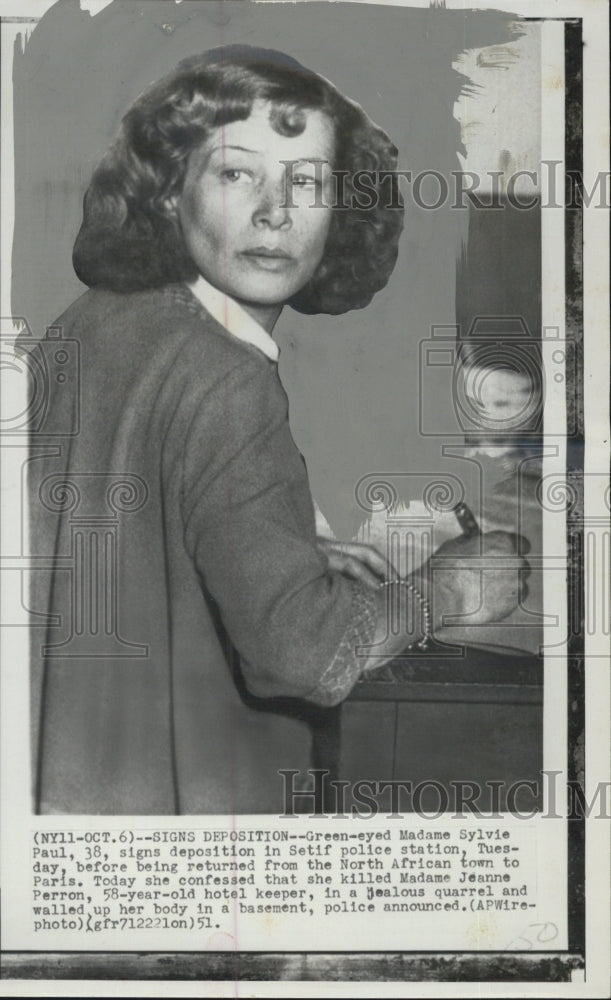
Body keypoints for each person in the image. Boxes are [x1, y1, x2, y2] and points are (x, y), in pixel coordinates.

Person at [25, 46, 529, 815]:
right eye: (236, 174)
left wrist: (281, 550)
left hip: (59, 793)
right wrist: (448, 587)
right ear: (167, 194)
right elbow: (304, 656)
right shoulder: (225, 378)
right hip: (184, 824)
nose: (275, 212)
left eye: (306, 180)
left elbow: (113, 526)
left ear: (343, 206)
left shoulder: (90, 325)